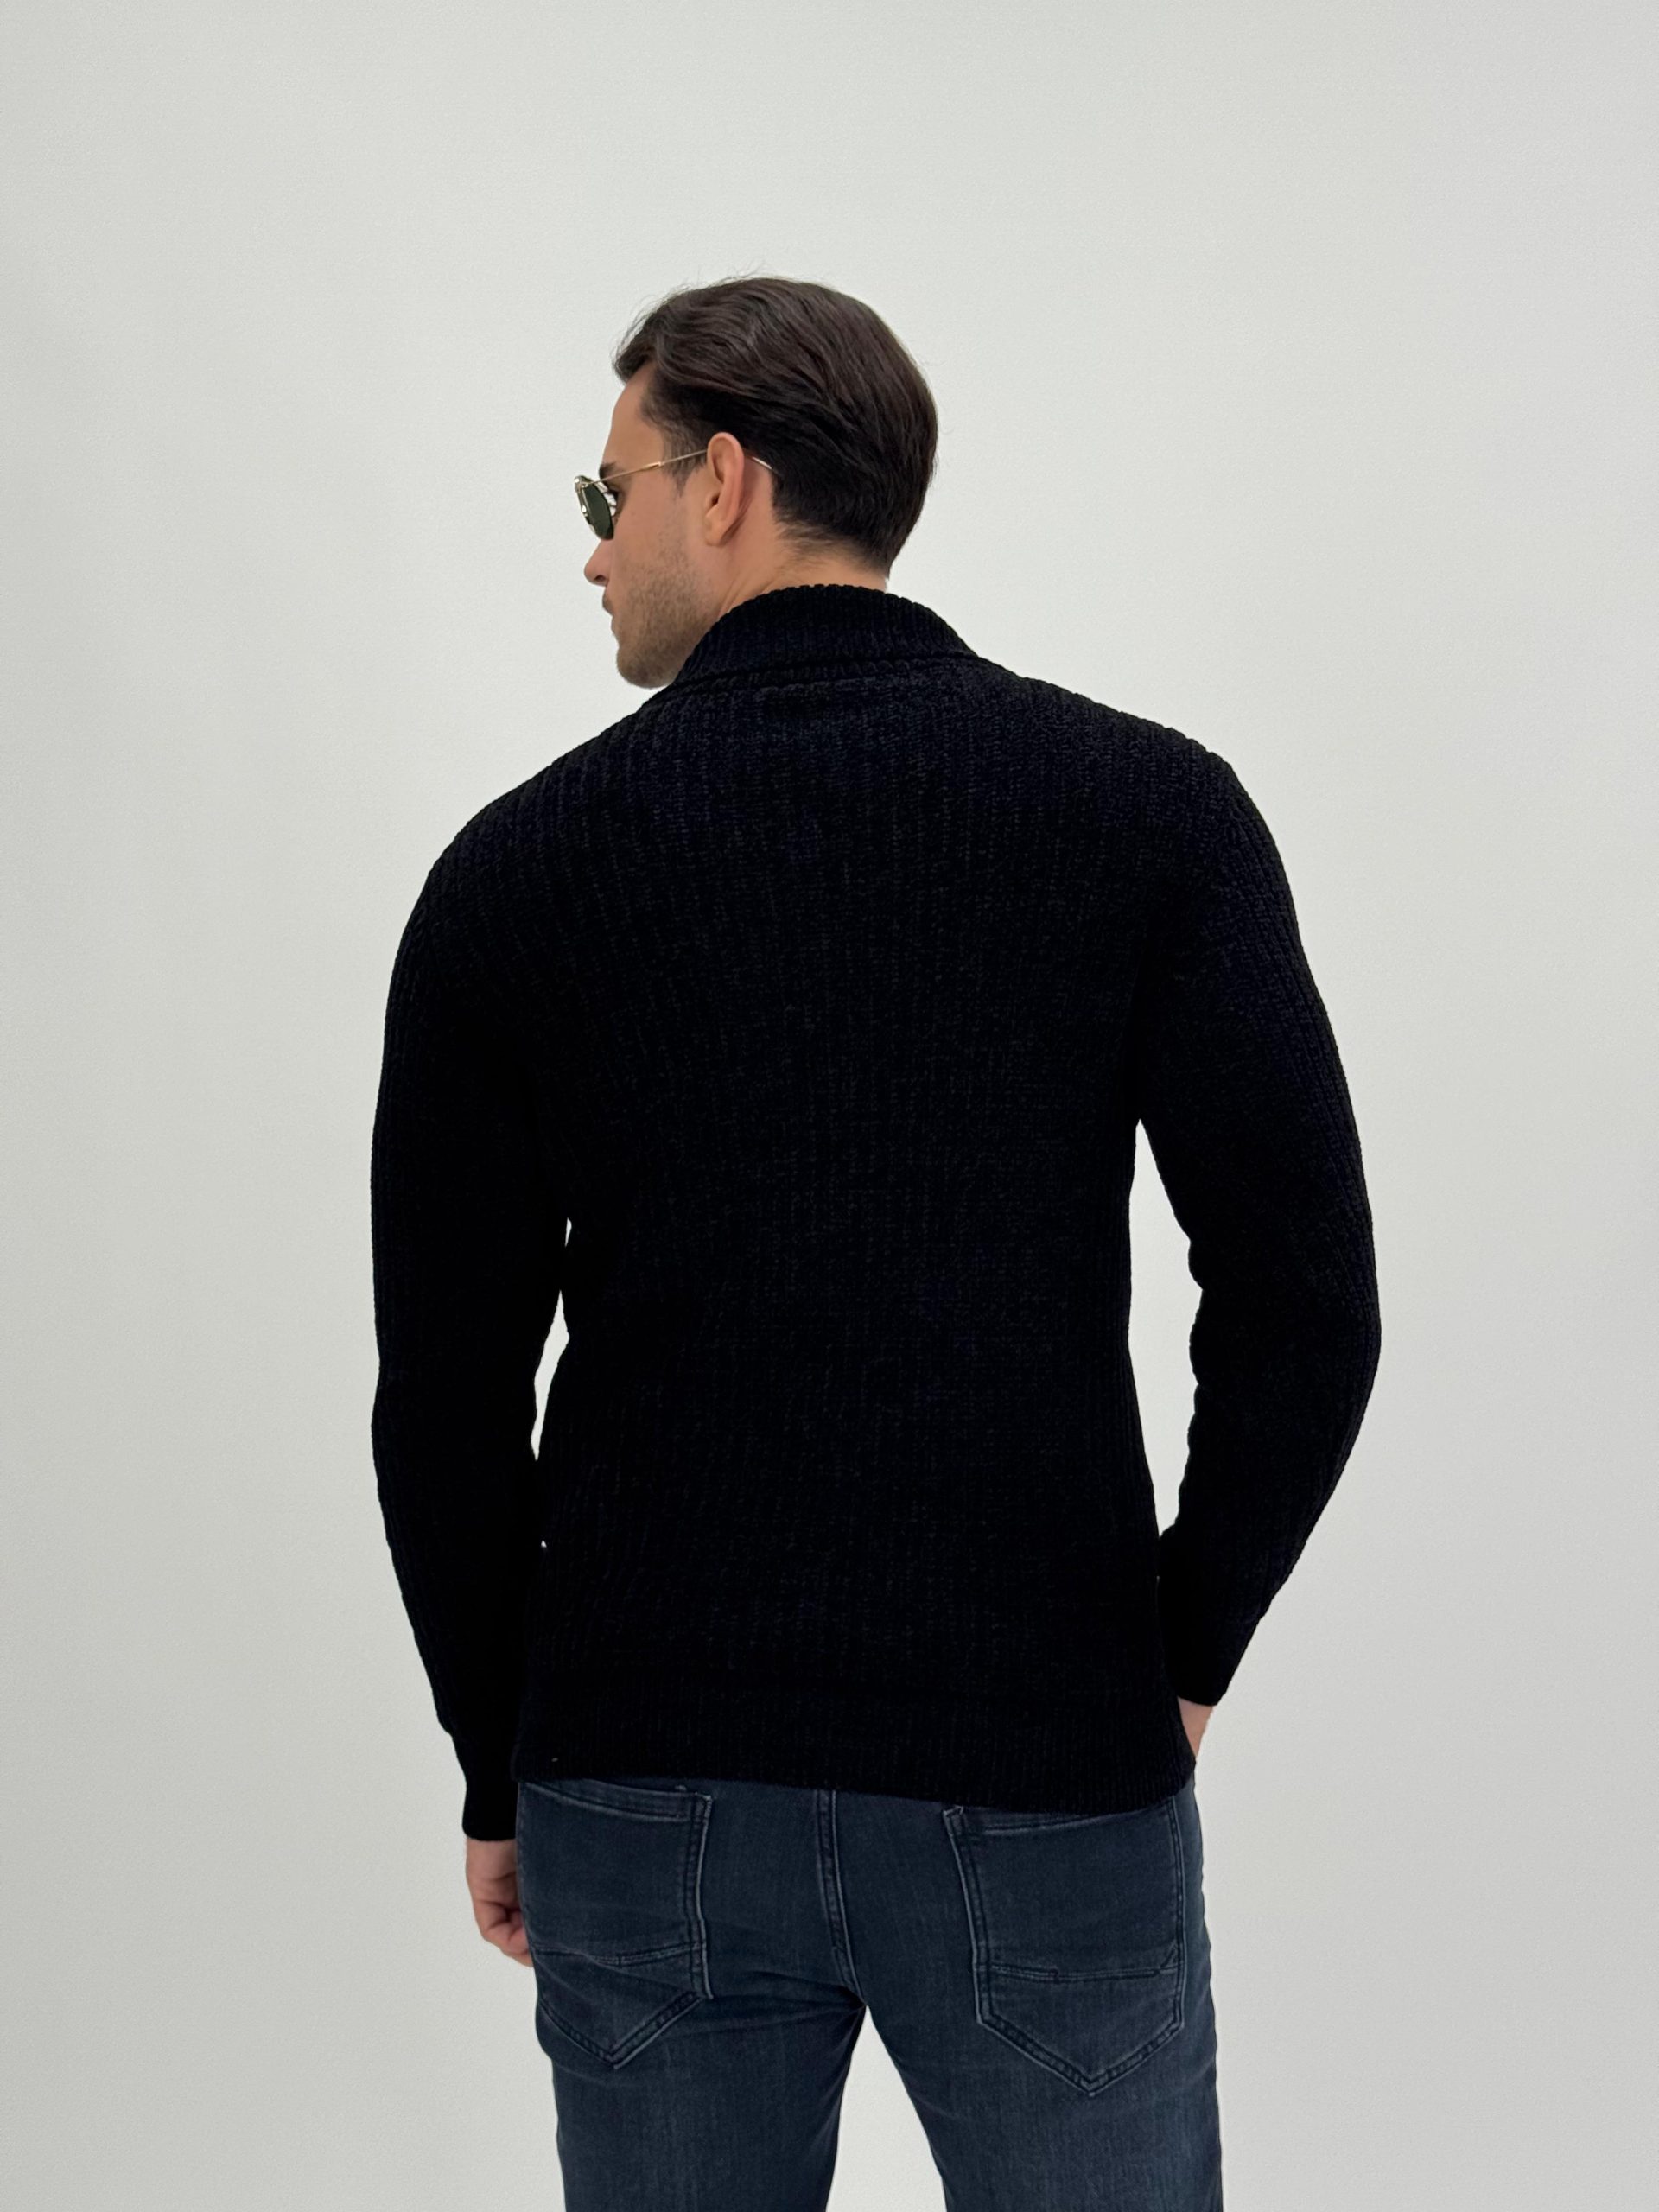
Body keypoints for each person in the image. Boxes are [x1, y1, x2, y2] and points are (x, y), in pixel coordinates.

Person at [368, 273, 1382, 2210]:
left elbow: (448, 1396)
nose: (591, 556)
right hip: (1045, 1760)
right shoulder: (1149, 814)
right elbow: (1310, 1302)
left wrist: (502, 1759)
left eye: (607, 499)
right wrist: (1174, 1652)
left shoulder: (520, 873)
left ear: (724, 481)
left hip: (643, 1786)